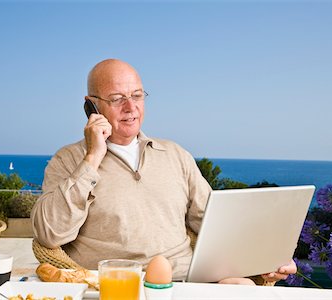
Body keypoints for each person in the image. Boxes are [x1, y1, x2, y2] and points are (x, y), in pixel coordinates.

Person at [31, 58, 296, 284]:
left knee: (243, 289)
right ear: (92, 105)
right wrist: (92, 158)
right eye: (117, 99)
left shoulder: (174, 155)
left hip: (185, 283)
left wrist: (263, 257)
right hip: (113, 288)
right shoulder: (69, 160)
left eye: (136, 96)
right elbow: (49, 234)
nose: (130, 107)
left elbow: (212, 223)